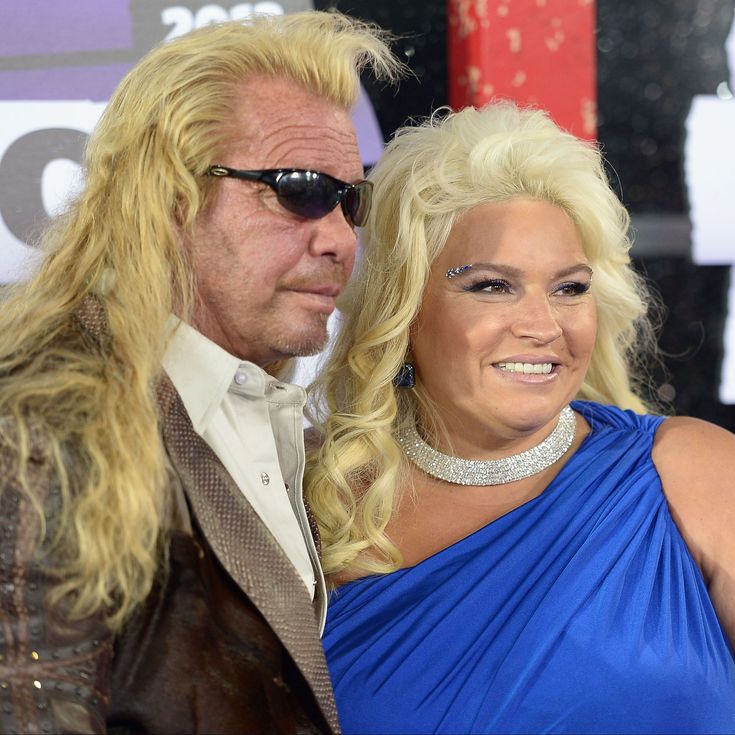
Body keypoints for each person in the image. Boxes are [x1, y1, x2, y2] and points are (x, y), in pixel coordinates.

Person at [0, 11, 402, 734]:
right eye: (299, 188)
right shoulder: (41, 421)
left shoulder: (293, 432)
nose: (341, 239)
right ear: (168, 195)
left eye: (349, 199)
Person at [304, 101, 735, 734]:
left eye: (570, 288)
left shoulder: (691, 473)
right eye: (489, 286)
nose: (542, 326)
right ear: (406, 308)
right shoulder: (315, 499)